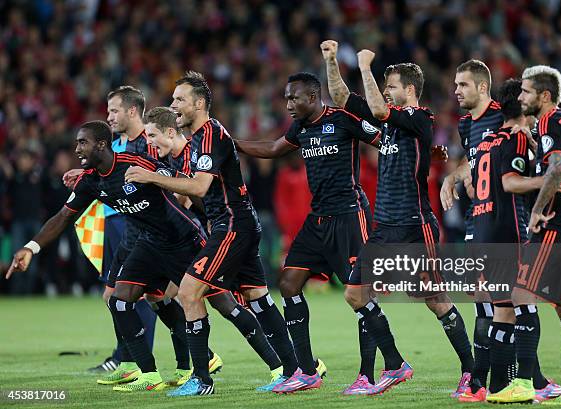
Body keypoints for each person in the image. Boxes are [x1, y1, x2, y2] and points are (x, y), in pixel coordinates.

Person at [125, 72, 297, 396]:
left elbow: (199, 187)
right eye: (173, 99)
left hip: (231, 225)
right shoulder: (197, 140)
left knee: (188, 292)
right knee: (258, 298)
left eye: (180, 99)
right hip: (238, 223)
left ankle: (202, 380)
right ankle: (293, 371)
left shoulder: (209, 135)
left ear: (199, 103)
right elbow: (190, 192)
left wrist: (152, 178)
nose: (173, 104)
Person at [6, 120, 205, 392]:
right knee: (119, 299)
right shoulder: (90, 181)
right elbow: (64, 216)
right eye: (77, 143)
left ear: (101, 144)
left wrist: (213, 222)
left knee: (225, 301)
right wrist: (31, 247)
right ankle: (149, 375)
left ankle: (279, 367)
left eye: (82, 142)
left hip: (182, 238)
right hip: (148, 243)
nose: (77, 149)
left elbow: (186, 185)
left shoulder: (134, 162)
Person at [323, 40, 473, 395]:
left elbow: (376, 108)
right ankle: (394, 364)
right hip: (384, 226)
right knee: (355, 294)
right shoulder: (388, 124)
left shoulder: (419, 119)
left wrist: (364, 68)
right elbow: (343, 98)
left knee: (435, 300)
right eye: (384, 86)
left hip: (414, 226)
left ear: (409, 90)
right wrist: (331, 61)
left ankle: (470, 370)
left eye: (391, 87)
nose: (386, 93)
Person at [235, 71, 380, 393]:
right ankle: (307, 370)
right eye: (286, 97)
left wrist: (422, 152)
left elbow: (384, 140)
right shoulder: (301, 126)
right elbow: (274, 148)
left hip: (348, 217)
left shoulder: (344, 119)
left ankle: (368, 375)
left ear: (313, 97)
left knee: (359, 295)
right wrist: (231, 144)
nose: (288, 104)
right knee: (288, 283)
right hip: (318, 220)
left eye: (293, 97)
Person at [488, 65, 561, 405]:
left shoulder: (549, 121)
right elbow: (558, 160)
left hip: (555, 223)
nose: (520, 97)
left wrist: (536, 210)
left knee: (521, 294)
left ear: (544, 96)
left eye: (526, 92)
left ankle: (523, 383)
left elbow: (558, 166)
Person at [460, 79, 561, 403]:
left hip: (483, 231)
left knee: (501, 312)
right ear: (522, 107)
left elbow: (474, 186)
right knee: (524, 306)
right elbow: (510, 183)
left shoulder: (486, 141)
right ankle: (527, 384)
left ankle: (497, 387)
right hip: (508, 233)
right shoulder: (515, 139)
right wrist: (549, 180)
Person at [440, 60, 505, 396]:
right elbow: (473, 160)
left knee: (506, 303)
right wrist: (453, 177)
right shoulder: (466, 125)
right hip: (475, 218)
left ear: (482, 87)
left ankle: (496, 380)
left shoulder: (504, 114)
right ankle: (484, 380)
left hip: (503, 219)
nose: (456, 91)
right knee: (484, 301)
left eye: (463, 85)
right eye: (455, 84)